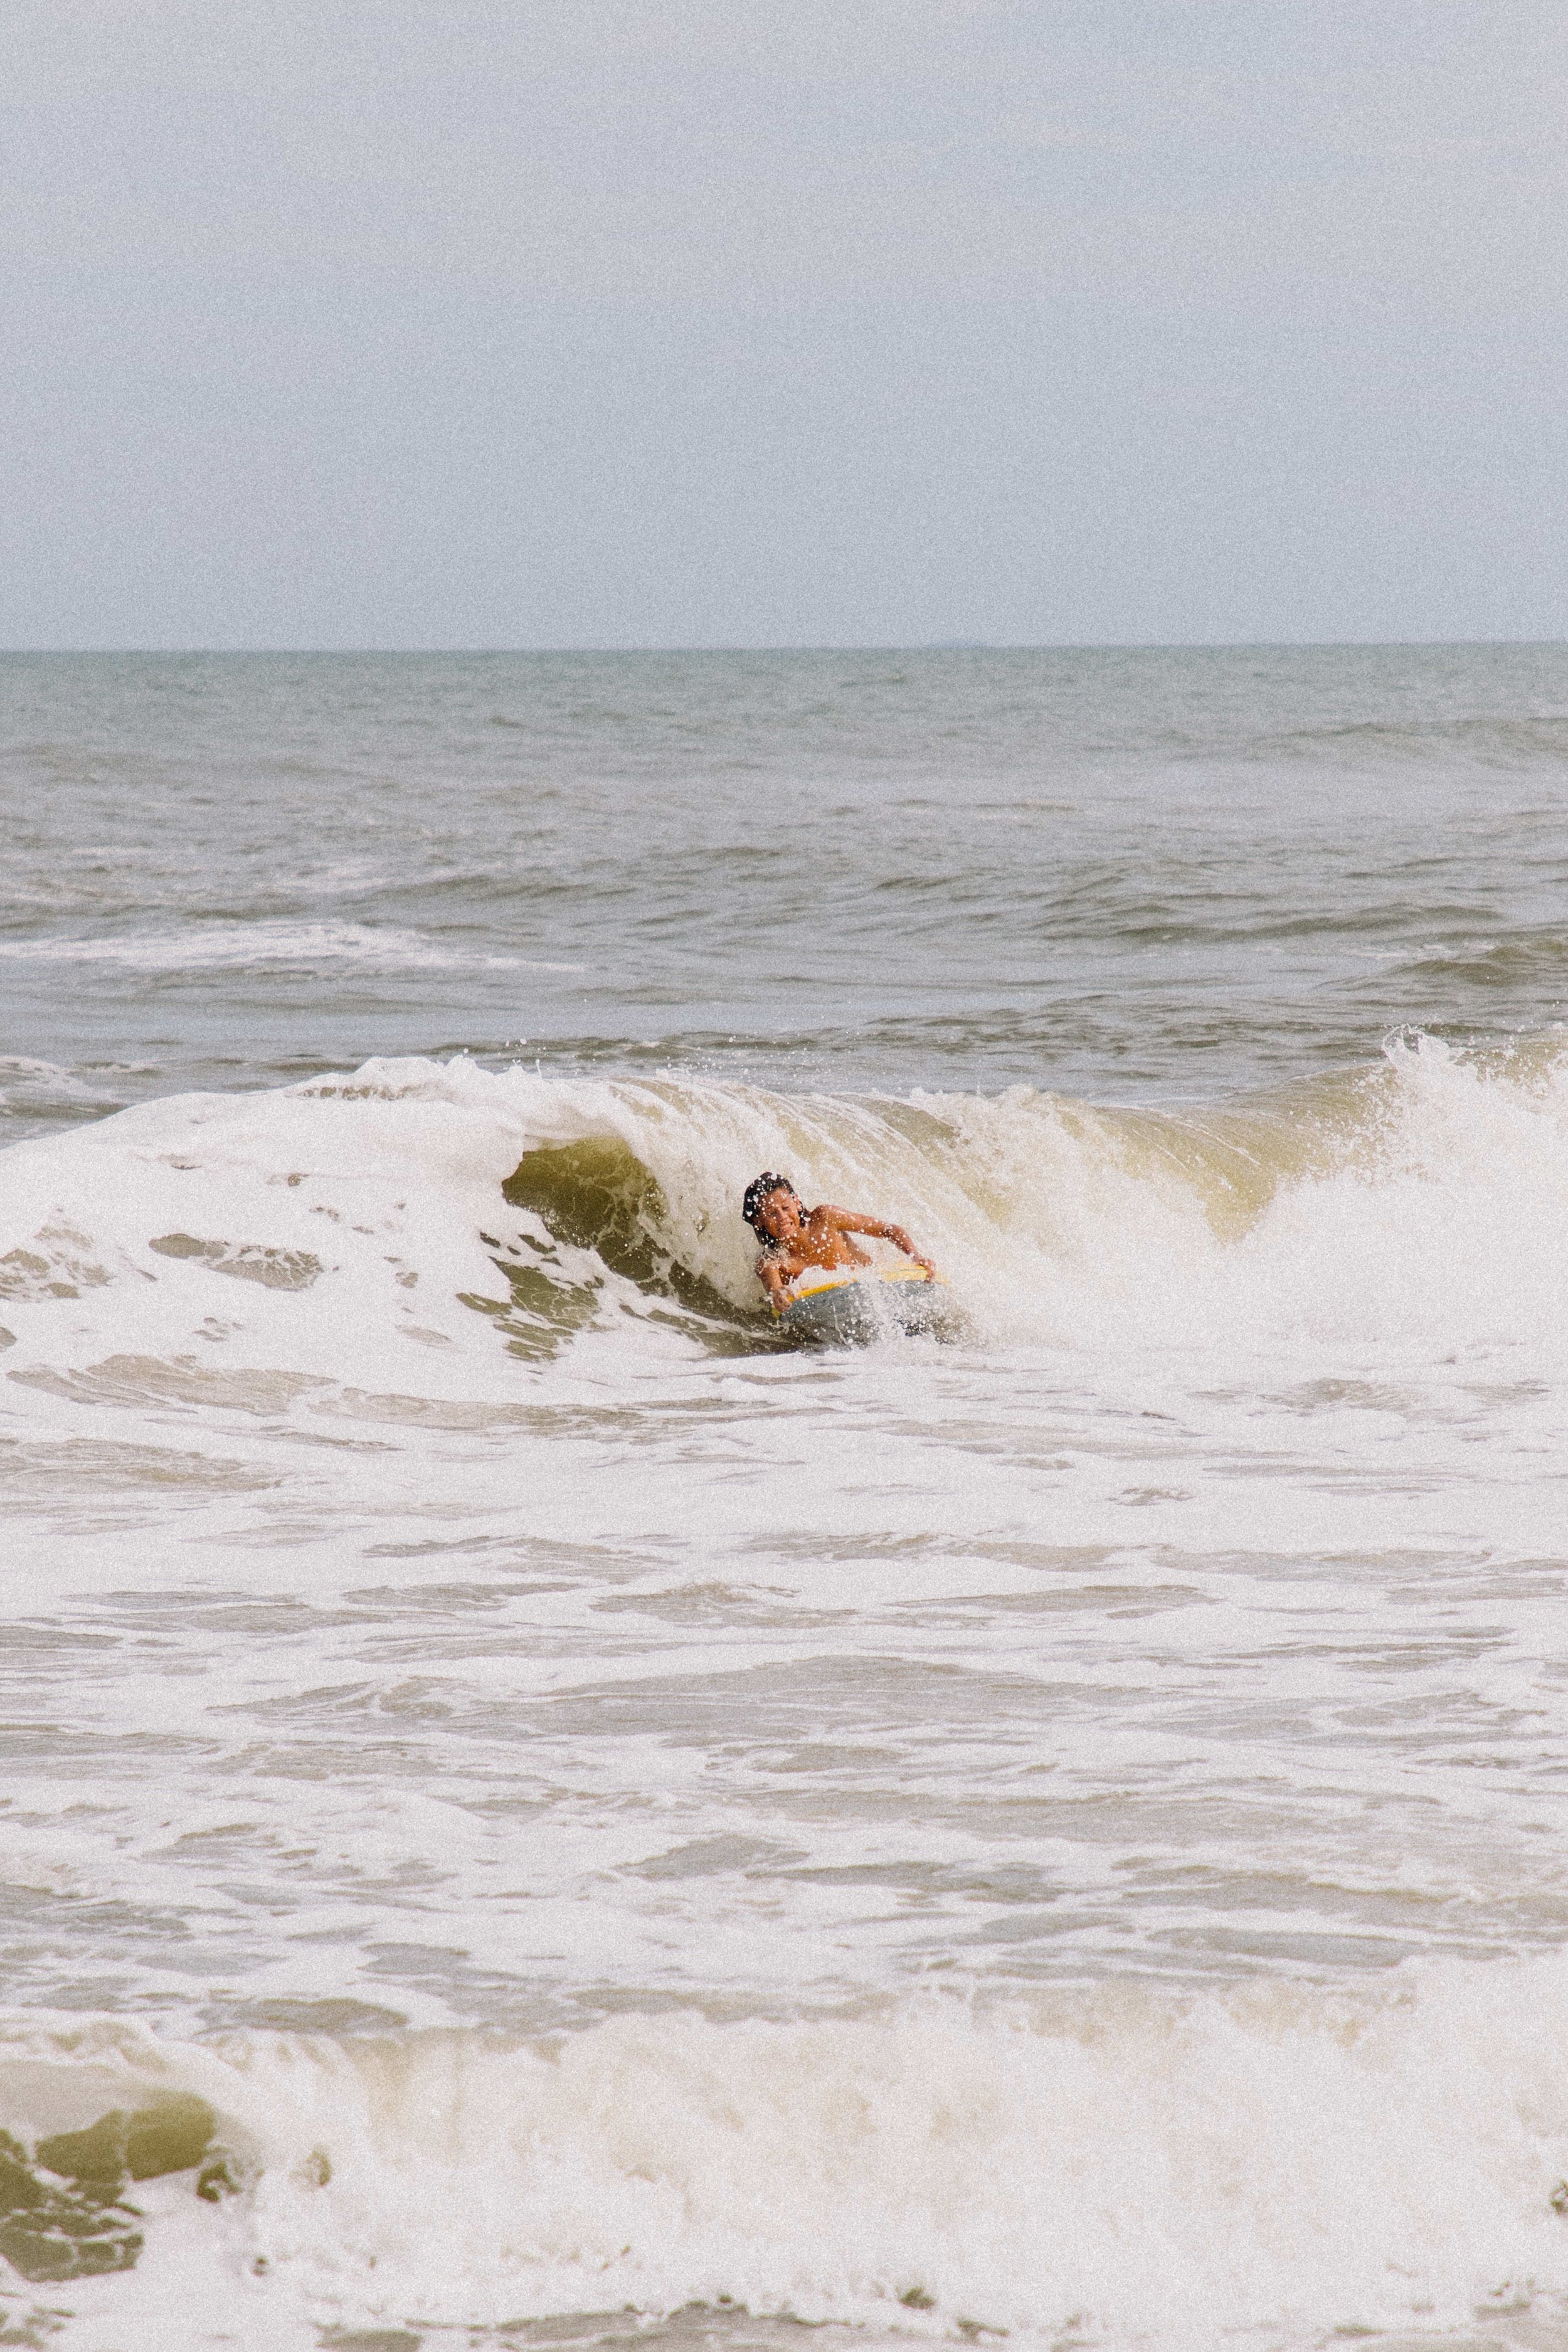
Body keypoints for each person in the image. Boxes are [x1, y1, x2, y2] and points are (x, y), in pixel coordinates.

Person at [741, 1172, 936, 1318]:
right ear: (758, 1221)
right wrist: (778, 1294)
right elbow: (775, 1289)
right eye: (772, 1214)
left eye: (786, 1208)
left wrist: (916, 1256)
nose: (782, 1217)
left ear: (797, 1203)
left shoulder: (827, 1219)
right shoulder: (771, 1262)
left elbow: (890, 1230)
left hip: (878, 1289)